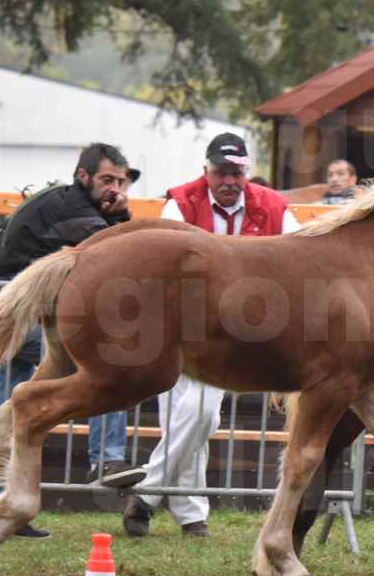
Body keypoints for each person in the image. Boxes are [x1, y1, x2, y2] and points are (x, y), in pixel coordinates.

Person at [122, 133, 300, 540]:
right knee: (184, 421)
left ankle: (147, 494)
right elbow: (160, 263)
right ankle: (191, 516)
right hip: (175, 325)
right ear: (206, 170)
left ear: (246, 172)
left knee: (201, 414)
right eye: (221, 171)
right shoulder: (180, 203)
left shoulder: (273, 206)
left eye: (236, 172)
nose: (229, 181)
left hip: (233, 335)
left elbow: (299, 257)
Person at [0, 143, 147, 538]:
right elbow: (114, 252)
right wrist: (120, 213)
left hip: (9, 309)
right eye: (107, 180)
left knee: (6, 405)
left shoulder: (65, 201)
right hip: (17, 314)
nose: (115, 189)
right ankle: (107, 460)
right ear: (83, 176)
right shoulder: (72, 209)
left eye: (121, 182)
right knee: (107, 368)